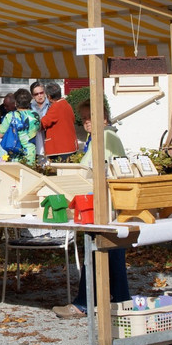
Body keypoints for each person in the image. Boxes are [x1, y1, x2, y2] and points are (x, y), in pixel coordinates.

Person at [53, 99, 130, 319]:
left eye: (90, 116)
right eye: (84, 118)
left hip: (103, 205)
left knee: (96, 252)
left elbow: (94, 170)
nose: (86, 121)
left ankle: (84, 304)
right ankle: (120, 300)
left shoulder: (105, 137)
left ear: (103, 117)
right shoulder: (102, 136)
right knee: (111, 252)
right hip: (106, 204)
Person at [0, 88, 42, 166]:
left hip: (15, 152)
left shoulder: (10, 115)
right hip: (30, 153)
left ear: (16, 102)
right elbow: (38, 128)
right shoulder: (35, 115)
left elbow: (0, 135)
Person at [39, 83, 78, 162]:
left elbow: (44, 123)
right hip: (71, 146)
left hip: (60, 148)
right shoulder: (67, 105)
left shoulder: (56, 106)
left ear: (49, 97)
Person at [29, 81, 50, 159]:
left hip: (49, 139)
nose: (39, 95)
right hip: (35, 142)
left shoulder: (51, 105)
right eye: (36, 94)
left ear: (45, 93)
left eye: (41, 93)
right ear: (32, 96)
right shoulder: (29, 108)